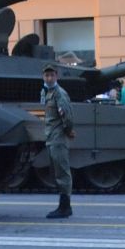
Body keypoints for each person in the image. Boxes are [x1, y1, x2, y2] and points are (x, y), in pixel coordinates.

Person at [40, 63, 75, 219]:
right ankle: (63, 205)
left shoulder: (60, 94)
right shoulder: (46, 92)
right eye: (46, 75)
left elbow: (67, 116)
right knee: (56, 172)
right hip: (50, 137)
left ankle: (65, 207)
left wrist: (68, 131)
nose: (49, 78)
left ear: (56, 76)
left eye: (51, 75)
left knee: (62, 172)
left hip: (58, 138)